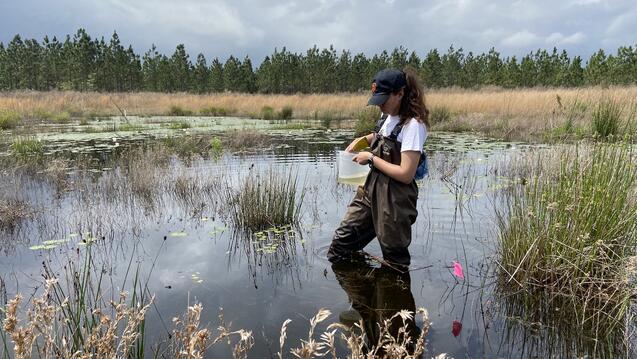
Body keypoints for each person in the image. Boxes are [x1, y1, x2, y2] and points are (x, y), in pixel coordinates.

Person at [327, 68, 429, 268]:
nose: (380, 105)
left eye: (384, 99)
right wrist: (363, 139)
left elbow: (406, 174)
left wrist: (371, 158)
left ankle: (394, 297)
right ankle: (362, 296)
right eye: (377, 99)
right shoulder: (387, 116)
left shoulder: (414, 126)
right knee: (340, 247)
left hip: (394, 202)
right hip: (369, 192)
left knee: (395, 263)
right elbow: (383, 137)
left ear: (400, 93)